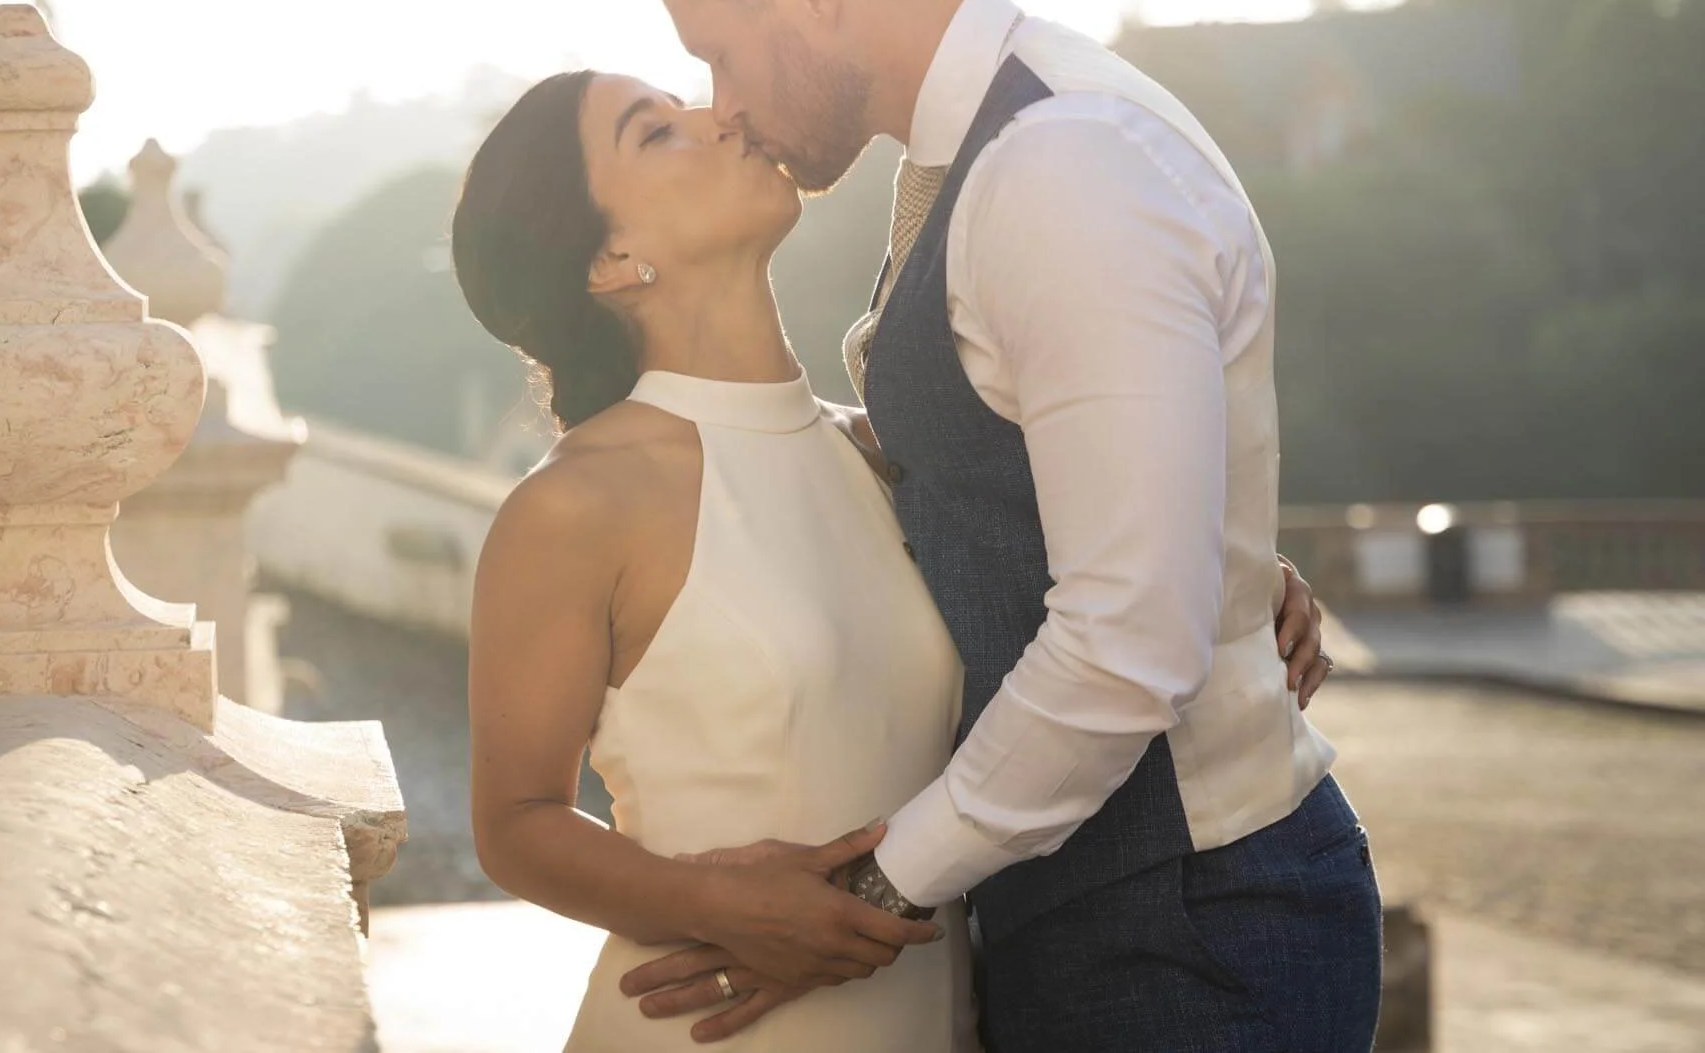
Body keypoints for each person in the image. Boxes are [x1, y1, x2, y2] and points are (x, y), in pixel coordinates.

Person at [609, 0, 1384, 1052]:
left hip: (1182, 935)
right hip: (1104, 915)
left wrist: (869, 894)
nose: (724, 104)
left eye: (721, 53)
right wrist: (1220, 554)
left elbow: (1128, 636)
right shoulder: (982, 151)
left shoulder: (1060, 165)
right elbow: (1005, 446)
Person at [452, 64, 1335, 1051]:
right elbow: (517, 822)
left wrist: (1240, 575)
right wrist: (714, 900)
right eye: (653, 131)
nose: (716, 114)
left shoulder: (884, 450)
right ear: (611, 256)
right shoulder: (571, 504)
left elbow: (1099, 578)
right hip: (708, 1025)